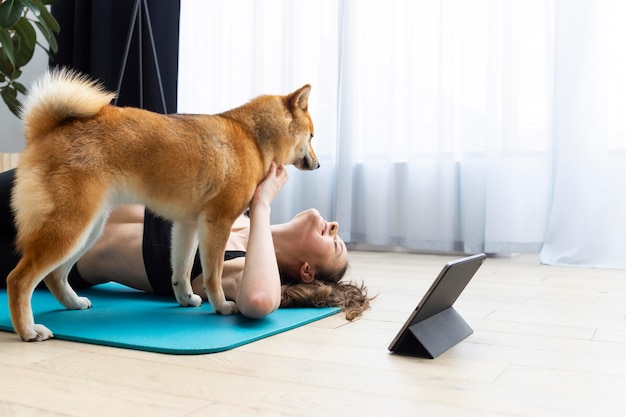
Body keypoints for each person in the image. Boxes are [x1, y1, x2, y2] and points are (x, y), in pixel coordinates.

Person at [0, 163, 371, 320]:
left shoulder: (235, 266)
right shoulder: (230, 212)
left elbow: (259, 302)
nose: (334, 225)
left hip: (39, 250)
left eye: (334, 245)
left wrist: (263, 205)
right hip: (61, 184)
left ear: (306, 271)